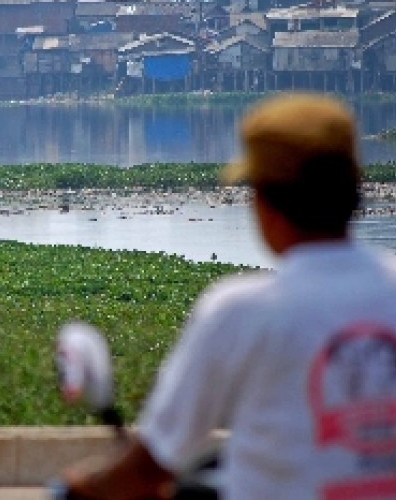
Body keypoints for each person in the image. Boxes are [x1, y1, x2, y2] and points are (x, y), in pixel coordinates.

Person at [61, 92, 396, 499]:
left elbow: (149, 468)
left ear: (263, 202)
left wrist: (72, 488)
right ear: (355, 190)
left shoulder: (240, 310)